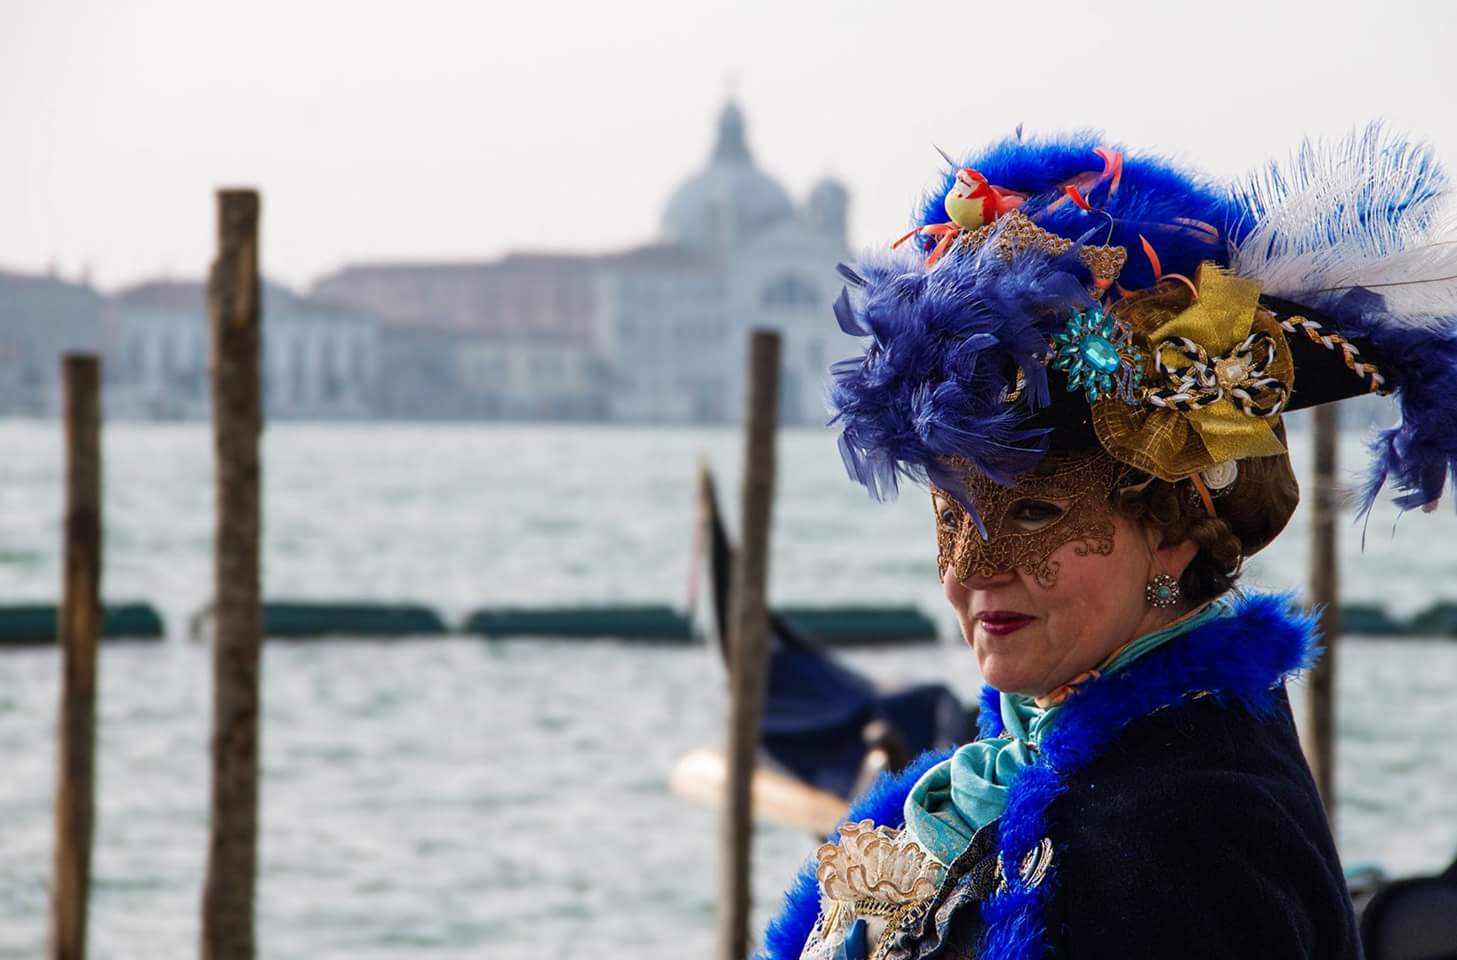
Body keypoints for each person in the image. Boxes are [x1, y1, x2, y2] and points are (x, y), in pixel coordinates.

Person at [761, 128, 1457, 959]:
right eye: (950, 519)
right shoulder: (999, 782)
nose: (967, 574)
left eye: (1030, 516)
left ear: (1171, 530)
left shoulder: (1179, 830)